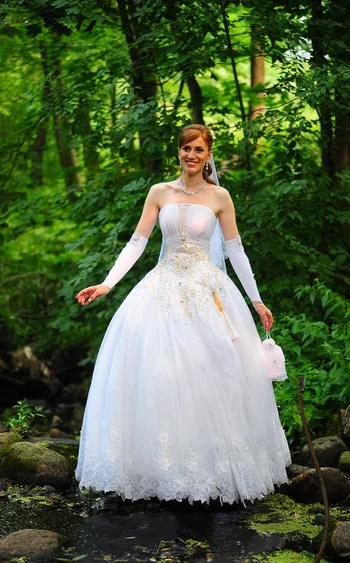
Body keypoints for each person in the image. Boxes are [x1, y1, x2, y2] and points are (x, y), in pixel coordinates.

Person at [75, 124, 291, 505]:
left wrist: (256, 300)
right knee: (157, 374)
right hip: (163, 289)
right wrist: (107, 283)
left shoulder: (220, 197)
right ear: (178, 152)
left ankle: (214, 469)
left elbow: (236, 250)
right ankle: (159, 471)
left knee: (214, 375)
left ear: (209, 156)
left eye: (198, 150)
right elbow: (137, 242)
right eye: (186, 148)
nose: (191, 155)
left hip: (208, 293)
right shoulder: (160, 192)